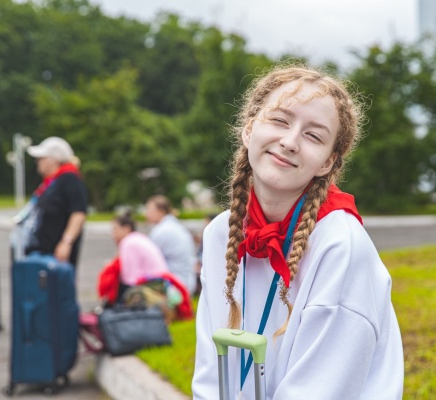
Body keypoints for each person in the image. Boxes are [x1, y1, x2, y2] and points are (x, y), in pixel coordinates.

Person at [192, 66, 404, 399]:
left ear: (327, 163)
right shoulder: (221, 232)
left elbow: (320, 390)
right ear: (249, 129)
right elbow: (209, 374)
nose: (290, 142)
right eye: (279, 120)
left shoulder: (340, 246)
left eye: (313, 136)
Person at [16, 136, 88, 267]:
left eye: (41, 158)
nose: (37, 162)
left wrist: (66, 242)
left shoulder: (70, 179)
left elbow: (78, 213)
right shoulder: (50, 182)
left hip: (54, 257)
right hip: (40, 253)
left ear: (53, 160)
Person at [145, 195, 197, 295]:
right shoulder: (176, 226)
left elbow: (147, 259)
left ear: (160, 211)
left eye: (149, 209)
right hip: (187, 282)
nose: (146, 213)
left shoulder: (161, 230)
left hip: (174, 286)